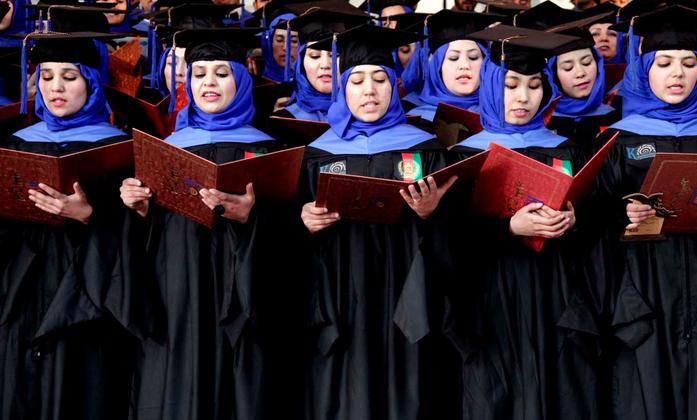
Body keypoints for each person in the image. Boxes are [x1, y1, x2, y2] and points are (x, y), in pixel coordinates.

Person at [119, 28, 299, 420]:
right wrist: (138, 208)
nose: (209, 83)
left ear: (241, 78)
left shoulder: (270, 149)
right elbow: (144, 241)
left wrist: (252, 216)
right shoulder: (165, 148)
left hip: (244, 295)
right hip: (177, 293)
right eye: (199, 73)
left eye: (221, 72)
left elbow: (296, 241)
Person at [592, 7, 697, 420]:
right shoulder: (618, 141)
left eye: (689, 64)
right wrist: (620, 214)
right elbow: (591, 212)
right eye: (663, 64)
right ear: (643, 69)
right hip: (644, 288)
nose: (678, 74)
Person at [446, 24, 606, 420]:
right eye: (511, 85)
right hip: (492, 298)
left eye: (534, 86)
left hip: (559, 290)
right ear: (489, 87)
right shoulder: (461, 155)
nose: (523, 97)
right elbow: (446, 239)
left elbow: (597, 221)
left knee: (565, 392)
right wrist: (508, 229)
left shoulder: (568, 148)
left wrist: (574, 219)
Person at [298, 24, 457, 420]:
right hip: (340, 291)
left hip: (407, 289)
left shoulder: (424, 148)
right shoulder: (317, 154)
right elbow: (285, 238)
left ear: (395, 85)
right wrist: (303, 220)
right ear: (341, 89)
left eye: (380, 79)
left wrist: (431, 216)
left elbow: (460, 233)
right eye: (357, 80)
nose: (369, 91)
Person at [0, 32, 133, 420]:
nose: (55, 87)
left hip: (85, 293)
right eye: (46, 76)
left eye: (70, 77)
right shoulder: (18, 142)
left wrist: (89, 215)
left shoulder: (118, 147)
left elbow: (142, 236)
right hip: (21, 286)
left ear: (91, 82)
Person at [271, 6, 369, 121]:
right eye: (315, 56)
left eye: (334, 56)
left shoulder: (371, 115)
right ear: (301, 63)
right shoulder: (286, 120)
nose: (325, 65)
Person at [406, 10, 502, 124]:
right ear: (437, 66)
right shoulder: (413, 117)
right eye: (453, 58)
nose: (465, 66)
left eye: (473, 57)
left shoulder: (503, 113)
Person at [545, 10, 620, 155]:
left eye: (587, 63)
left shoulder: (615, 118)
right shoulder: (543, 122)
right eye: (568, 67)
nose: (580, 73)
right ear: (553, 74)